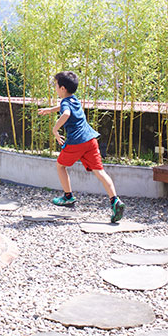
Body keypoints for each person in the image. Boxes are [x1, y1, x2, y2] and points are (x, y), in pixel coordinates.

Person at [37, 71, 125, 223]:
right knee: (100, 172)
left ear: (62, 88)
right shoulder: (73, 99)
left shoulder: (65, 103)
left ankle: (68, 197)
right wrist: (50, 110)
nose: (55, 88)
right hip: (90, 140)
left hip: (76, 142)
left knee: (60, 166)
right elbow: (64, 107)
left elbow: (65, 113)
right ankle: (115, 201)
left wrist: (55, 130)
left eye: (56, 86)